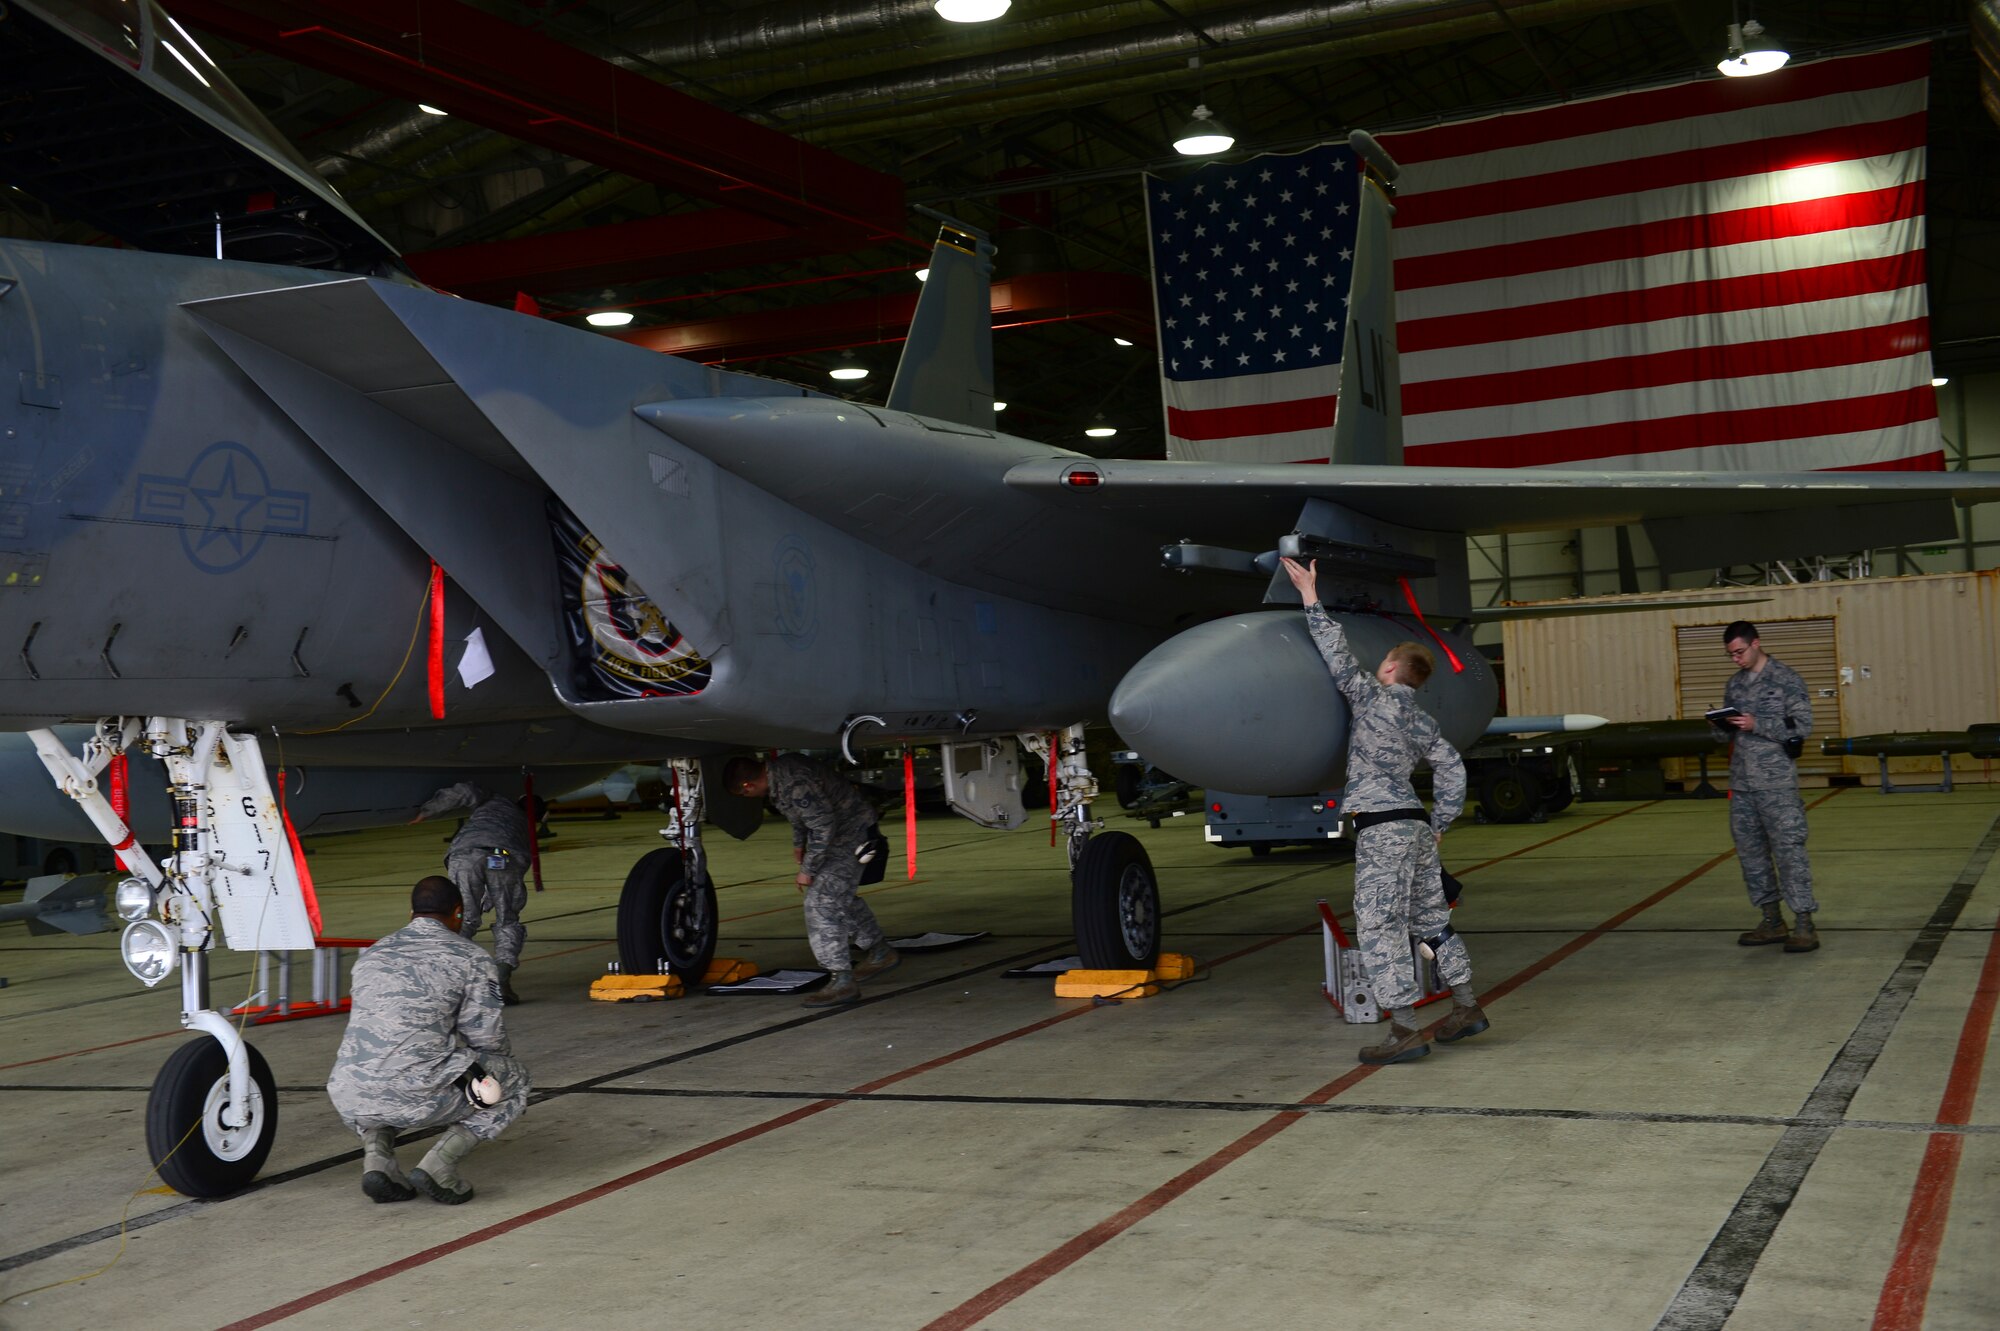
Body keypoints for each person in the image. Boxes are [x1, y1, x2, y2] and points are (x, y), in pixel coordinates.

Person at [1282, 556, 1484, 1065]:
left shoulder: (1371, 698)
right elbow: (1453, 768)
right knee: (1433, 922)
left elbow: (1336, 654)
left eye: (1382, 664)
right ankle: (1466, 1007)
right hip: (1415, 827)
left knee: (1380, 925)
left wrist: (1310, 595)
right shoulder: (1422, 722)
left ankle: (1404, 1031)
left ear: (1392, 668)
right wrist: (1440, 823)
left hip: (1382, 830)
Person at [326, 875, 530, 1204]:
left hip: (350, 1093)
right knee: (514, 1080)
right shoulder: (470, 958)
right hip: (413, 1090)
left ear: (411, 913)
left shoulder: (372, 955)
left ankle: (378, 1161)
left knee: (386, 1076)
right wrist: (489, 1071)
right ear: (458, 913)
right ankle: (439, 1165)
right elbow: (487, 1039)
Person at [724, 753, 898, 1007]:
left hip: (852, 834)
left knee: (822, 902)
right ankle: (880, 952)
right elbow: (800, 815)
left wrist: (807, 869)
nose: (747, 798)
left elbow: (823, 824)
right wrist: (799, 845)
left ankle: (842, 980)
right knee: (834, 895)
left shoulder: (793, 780)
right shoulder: (779, 776)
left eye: (743, 794)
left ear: (747, 785)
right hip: (840, 833)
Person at [1710, 620, 1819, 952]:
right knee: (1752, 855)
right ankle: (1772, 921)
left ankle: (1804, 924)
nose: (1736, 659)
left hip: (1776, 784)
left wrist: (1758, 724)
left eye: (1739, 652)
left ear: (1756, 643)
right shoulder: (1735, 685)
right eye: (1730, 655)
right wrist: (1719, 723)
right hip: (1743, 784)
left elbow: (1803, 726)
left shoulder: (1786, 679)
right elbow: (1723, 737)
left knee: (1789, 852)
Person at [412, 781, 532, 1003]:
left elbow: (466, 791)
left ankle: (447, 979)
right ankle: (502, 978)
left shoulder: (494, 799)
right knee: (507, 920)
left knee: (463, 918)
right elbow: (515, 873)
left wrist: (427, 810)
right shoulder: (525, 825)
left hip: (465, 854)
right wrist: (491, 897)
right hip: (504, 856)